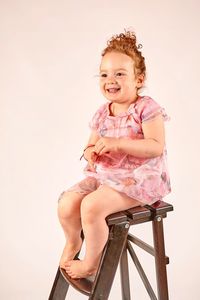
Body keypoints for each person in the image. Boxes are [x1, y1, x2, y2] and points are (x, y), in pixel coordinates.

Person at [57, 30, 171, 279]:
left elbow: (155, 146)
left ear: (139, 79)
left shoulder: (146, 108)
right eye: (105, 74)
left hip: (139, 178)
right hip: (107, 177)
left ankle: (91, 262)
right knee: (67, 203)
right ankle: (74, 242)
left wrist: (118, 144)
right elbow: (89, 146)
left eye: (120, 74)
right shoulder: (102, 112)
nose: (111, 80)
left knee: (91, 207)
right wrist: (91, 154)